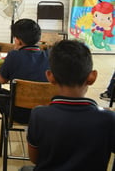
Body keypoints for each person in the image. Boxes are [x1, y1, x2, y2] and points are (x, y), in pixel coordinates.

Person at [26, 40, 115, 171]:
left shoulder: (39, 115)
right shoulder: (108, 119)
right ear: (92, 77)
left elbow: (35, 158)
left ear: (50, 77)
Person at [0, 18, 49, 124]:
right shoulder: (49, 56)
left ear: (18, 40)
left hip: (19, 114)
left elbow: (1, 80)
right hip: (45, 113)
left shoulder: (13, 55)